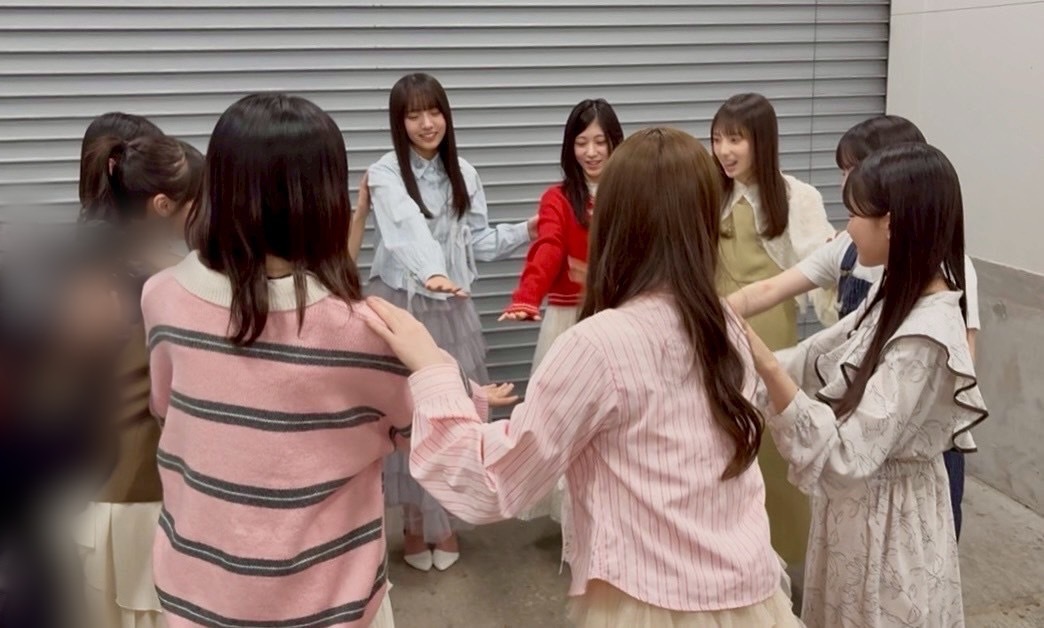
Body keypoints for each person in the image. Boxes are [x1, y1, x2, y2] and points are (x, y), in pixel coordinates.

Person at [367, 127, 800, 627]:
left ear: (614, 222)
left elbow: (494, 480)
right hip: (749, 593)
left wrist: (433, 371)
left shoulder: (598, 345)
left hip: (651, 604)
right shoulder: (725, 326)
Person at [142, 93, 411, 628]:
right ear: (322, 196)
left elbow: (167, 408)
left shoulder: (162, 295)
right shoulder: (366, 329)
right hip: (331, 603)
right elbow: (422, 430)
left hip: (199, 591)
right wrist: (448, 382)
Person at [746, 142, 987, 627]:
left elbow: (845, 457)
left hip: (888, 524)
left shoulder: (927, 335)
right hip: (858, 514)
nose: (848, 228)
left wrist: (764, 366)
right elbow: (822, 356)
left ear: (891, 223)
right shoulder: (893, 289)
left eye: (856, 214)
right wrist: (742, 361)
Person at [365, 72, 535, 571]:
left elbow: (477, 241)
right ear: (399, 123)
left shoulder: (465, 173)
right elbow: (405, 228)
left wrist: (528, 229)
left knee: (456, 411)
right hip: (404, 302)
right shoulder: (385, 174)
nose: (426, 123)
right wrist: (432, 272)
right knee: (409, 413)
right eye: (413, 115)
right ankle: (415, 526)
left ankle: (446, 523)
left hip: (452, 307)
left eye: (434, 111)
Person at [75, 132, 203, 628]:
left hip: (85, 484)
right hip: (147, 487)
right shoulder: (176, 282)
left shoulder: (76, 267)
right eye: (200, 200)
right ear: (164, 206)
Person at [711, 93, 834, 569]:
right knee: (719, 443)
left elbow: (823, 266)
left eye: (735, 139)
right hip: (714, 332)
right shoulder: (708, 191)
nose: (724, 150)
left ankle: (781, 559)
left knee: (771, 448)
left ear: (761, 141)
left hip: (769, 336)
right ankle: (725, 561)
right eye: (717, 139)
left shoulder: (797, 197)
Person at [500, 98, 624, 522]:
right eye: (582, 142)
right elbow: (549, 246)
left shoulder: (631, 192)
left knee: (617, 423)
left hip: (619, 318)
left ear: (616, 143)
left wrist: (592, 274)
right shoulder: (556, 198)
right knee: (564, 422)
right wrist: (527, 295)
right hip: (568, 320)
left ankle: (615, 511)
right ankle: (573, 516)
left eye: (601, 142)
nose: (591, 152)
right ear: (570, 147)